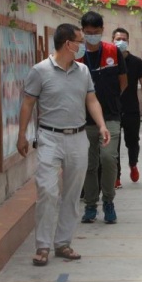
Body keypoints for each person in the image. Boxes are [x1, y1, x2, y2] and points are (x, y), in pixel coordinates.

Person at [17, 23, 110, 266]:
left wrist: (101, 125)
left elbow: (91, 100)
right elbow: (28, 103)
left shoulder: (83, 71)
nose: (83, 45)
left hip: (78, 137)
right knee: (47, 191)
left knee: (72, 193)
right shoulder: (40, 71)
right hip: (49, 137)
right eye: (79, 41)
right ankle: (42, 246)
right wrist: (21, 135)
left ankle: (63, 243)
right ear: (68, 44)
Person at [79, 11, 127, 224]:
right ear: (82, 31)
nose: (92, 36)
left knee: (108, 159)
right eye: (88, 32)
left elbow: (123, 81)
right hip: (84, 119)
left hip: (110, 116)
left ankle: (108, 201)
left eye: (96, 32)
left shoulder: (113, 52)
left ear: (102, 30)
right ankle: (90, 204)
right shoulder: (77, 53)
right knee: (89, 164)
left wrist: (111, 99)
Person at [112, 27, 142, 188]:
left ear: (128, 41)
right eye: (118, 39)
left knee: (132, 142)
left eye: (124, 39)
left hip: (131, 108)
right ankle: (116, 176)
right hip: (112, 109)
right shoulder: (108, 60)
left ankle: (133, 164)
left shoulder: (136, 62)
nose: (121, 42)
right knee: (113, 144)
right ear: (112, 40)